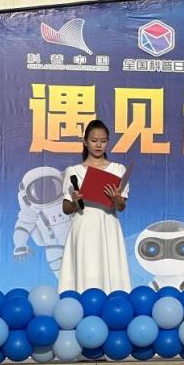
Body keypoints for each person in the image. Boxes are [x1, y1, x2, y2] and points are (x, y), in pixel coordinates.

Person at [58, 120, 131, 293]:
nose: (98, 145)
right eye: (94, 140)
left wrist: (116, 198)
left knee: (111, 267)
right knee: (86, 267)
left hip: (108, 224)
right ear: (85, 142)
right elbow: (66, 208)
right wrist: (75, 202)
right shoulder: (73, 171)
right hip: (84, 225)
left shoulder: (118, 169)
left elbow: (121, 207)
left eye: (103, 141)